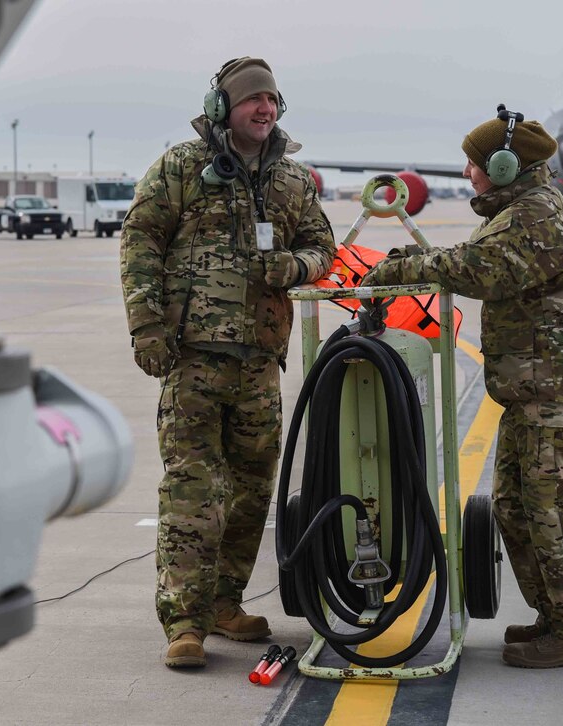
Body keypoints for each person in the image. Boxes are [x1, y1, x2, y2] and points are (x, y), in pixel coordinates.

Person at [362, 110, 563, 668]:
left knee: (551, 508)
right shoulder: (517, 210)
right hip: (532, 386)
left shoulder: (535, 214)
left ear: (503, 165)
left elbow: (477, 270)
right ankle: (556, 617)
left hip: (553, 388)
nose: (468, 171)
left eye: (474, 161)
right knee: (516, 506)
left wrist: (398, 268)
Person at [119, 57, 335, 668]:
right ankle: (183, 622)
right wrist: (145, 325)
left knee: (250, 491)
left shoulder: (294, 181)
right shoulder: (181, 168)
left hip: (261, 363)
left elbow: (323, 245)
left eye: (271, 99)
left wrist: (294, 267)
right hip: (191, 358)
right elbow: (140, 242)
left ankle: (224, 602)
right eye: (251, 100)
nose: (263, 109)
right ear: (223, 109)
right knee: (193, 487)